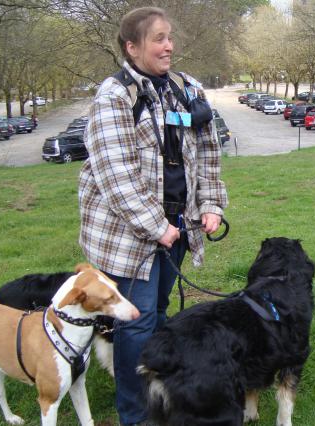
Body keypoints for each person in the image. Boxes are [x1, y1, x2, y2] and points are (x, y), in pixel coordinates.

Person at [78, 7, 228, 425]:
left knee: (160, 314)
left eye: (170, 37)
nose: (169, 46)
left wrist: (211, 205)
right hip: (131, 238)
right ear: (132, 47)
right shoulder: (113, 97)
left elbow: (209, 152)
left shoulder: (187, 88)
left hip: (177, 229)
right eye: (158, 39)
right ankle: (137, 414)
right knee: (137, 324)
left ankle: (160, 395)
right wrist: (156, 226)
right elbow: (116, 176)